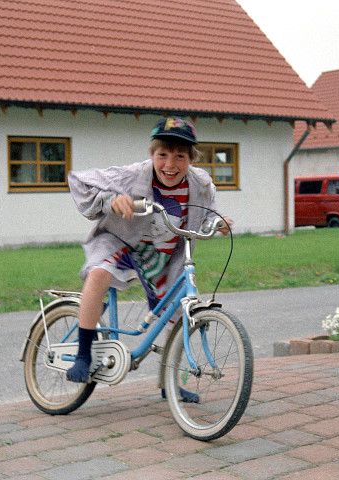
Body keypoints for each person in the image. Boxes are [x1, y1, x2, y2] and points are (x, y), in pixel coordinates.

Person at [65, 117, 232, 397]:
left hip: (162, 255)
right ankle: (83, 354)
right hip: (122, 241)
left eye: (180, 156)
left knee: (180, 311)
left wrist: (220, 222)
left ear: (191, 158)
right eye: (162, 155)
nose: (170, 164)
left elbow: (207, 212)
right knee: (100, 273)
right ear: (152, 155)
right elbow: (80, 181)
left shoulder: (200, 183)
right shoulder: (132, 175)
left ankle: (170, 383)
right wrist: (111, 201)